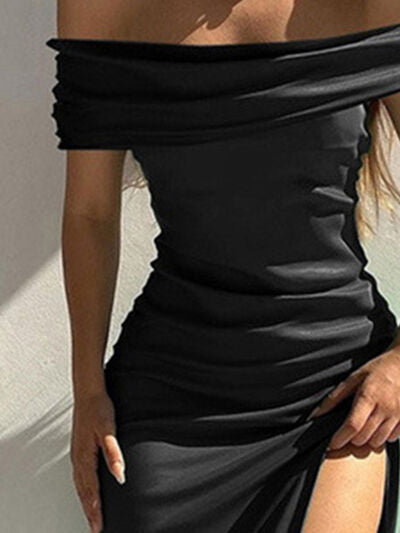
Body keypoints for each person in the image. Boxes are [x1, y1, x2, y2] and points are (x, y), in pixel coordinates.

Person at [46, 1, 400, 532]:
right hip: (172, 402)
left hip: (334, 388)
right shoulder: (99, 7)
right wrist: (88, 391)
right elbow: (90, 213)